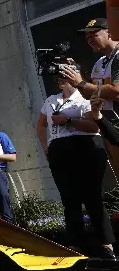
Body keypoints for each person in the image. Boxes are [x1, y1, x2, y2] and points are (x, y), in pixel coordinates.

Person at [37, 68, 115, 260]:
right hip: (59, 151)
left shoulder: (85, 98)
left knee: (92, 197)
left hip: (85, 146)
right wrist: (46, 147)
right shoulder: (50, 100)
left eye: (65, 77)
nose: (61, 80)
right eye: (59, 78)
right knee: (69, 200)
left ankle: (106, 244)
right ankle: (76, 245)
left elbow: (94, 126)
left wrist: (68, 120)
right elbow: (40, 125)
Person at [60, 18, 119, 174]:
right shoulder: (100, 63)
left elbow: (116, 91)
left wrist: (81, 83)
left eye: (94, 34)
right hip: (109, 130)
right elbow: (88, 95)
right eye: (87, 37)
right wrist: (75, 74)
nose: (90, 39)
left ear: (110, 32)